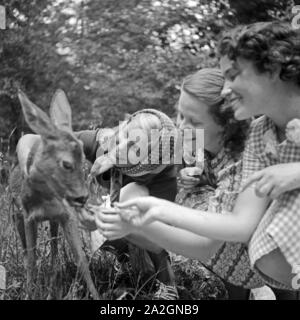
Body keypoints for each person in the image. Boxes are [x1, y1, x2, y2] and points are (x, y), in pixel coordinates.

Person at [96, 22, 300, 292]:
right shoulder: (261, 134)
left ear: (272, 69)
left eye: (233, 75)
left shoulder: (246, 147)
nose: (226, 90)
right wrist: (152, 210)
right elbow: (241, 224)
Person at [94, 68, 265, 299]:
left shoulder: (243, 166)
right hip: (211, 230)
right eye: (180, 115)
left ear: (227, 125)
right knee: (134, 193)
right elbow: (148, 149)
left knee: (145, 206)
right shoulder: (200, 139)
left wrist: (136, 224)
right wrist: (111, 155)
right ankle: (129, 266)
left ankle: (238, 293)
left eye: (193, 120)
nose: (182, 125)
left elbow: (205, 244)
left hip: (242, 259)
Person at [76, 108, 179, 300]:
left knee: (129, 197)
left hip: (140, 221)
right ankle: (126, 259)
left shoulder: (163, 183)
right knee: (107, 217)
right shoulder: (107, 140)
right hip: (116, 215)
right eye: (125, 134)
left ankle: (167, 284)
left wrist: (101, 222)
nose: (120, 146)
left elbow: (158, 241)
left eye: (134, 147)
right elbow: (59, 141)